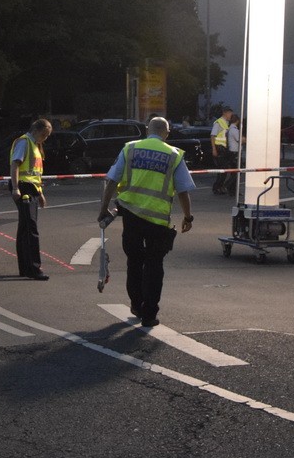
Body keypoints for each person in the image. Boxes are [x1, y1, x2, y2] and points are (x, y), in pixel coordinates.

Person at [98, 117, 195, 327]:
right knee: (154, 264)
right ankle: (150, 314)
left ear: (146, 130)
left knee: (134, 261)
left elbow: (112, 180)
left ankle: (136, 304)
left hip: (131, 214)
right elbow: (183, 190)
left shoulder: (130, 148)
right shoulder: (173, 155)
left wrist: (103, 208)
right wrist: (187, 216)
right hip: (158, 219)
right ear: (166, 133)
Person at [10, 118, 52, 280]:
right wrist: (15, 188)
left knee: (24, 229)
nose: (45, 138)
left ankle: (25, 268)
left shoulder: (34, 145)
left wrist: (40, 193)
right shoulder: (24, 142)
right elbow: (15, 165)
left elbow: (35, 174)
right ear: (36, 130)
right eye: (44, 134)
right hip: (24, 188)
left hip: (31, 188)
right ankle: (34, 269)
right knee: (31, 230)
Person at [209, 107, 233, 194]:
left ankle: (219, 187)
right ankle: (217, 188)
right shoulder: (219, 123)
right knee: (222, 170)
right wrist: (214, 149)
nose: (231, 115)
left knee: (224, 170)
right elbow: (212, 136)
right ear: (225, 113)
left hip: (223, 149)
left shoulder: (226, 123)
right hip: (219, 148)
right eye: (230, 113)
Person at [224, 114, 244, 195]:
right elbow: (240, 140)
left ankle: (233, 190)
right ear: (237, 121)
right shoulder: (234, 130)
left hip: (231, 152)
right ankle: (228, 185)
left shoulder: (229, 129)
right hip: (235, 153)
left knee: (234, 172)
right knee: (237, 172)